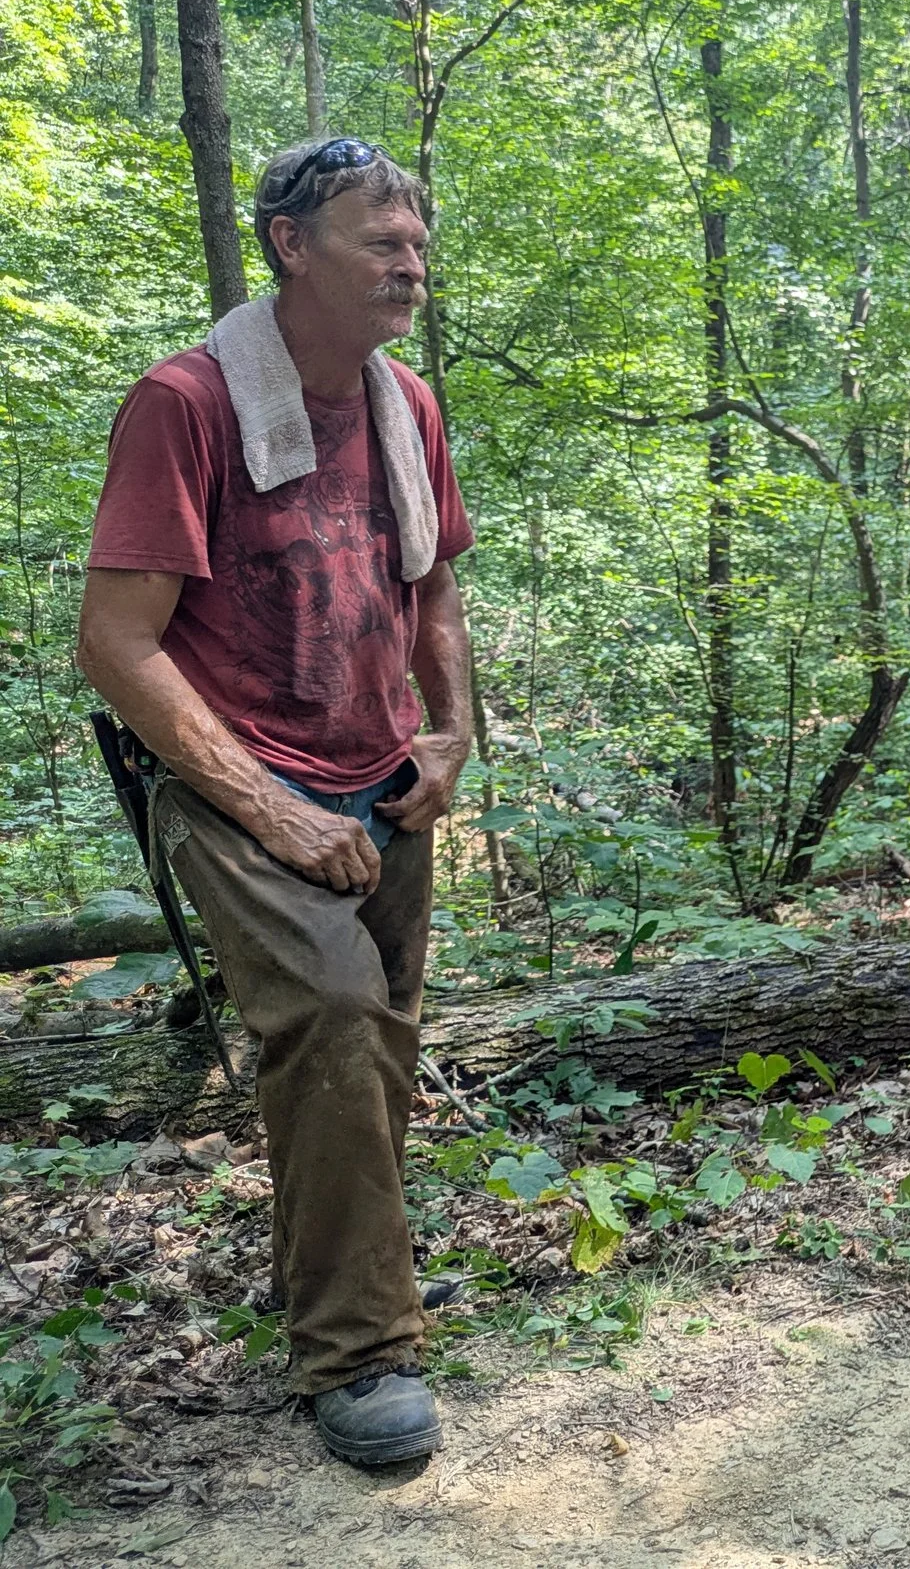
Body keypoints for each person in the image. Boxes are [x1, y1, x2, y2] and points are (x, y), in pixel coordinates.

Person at [77, 137, 475, 1466]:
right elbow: (117, 643)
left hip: (385, 770)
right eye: (382, 239)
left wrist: (455, 730)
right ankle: (359, 1354)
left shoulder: (406, 404)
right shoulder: (186, 403)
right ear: (292, 245)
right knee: (336, 1013)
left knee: (380, 1045)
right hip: (239, 775)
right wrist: (272, 809)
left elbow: (435, 586)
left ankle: (351, 1274)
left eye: (417, 243)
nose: (410, 265)